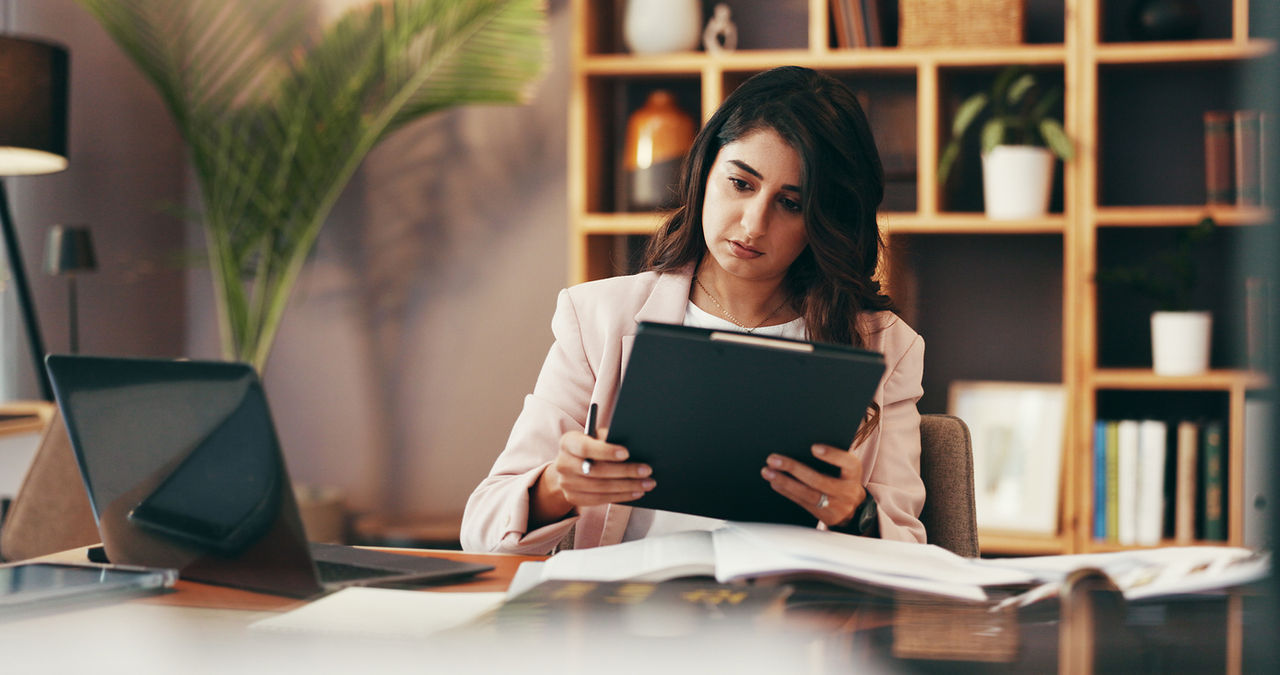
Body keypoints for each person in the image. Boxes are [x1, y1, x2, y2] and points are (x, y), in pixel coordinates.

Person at [461, 66, 925, 555]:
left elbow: (912, 552)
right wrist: (557, 487)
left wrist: (855, 512)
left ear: (825, 220)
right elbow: (483, 530)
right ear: (705, 170)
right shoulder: (597, 318)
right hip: (622, 615)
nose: (753, 223)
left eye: (790, 203)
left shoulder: (886, 345)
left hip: (792, 620)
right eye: (741, 184)